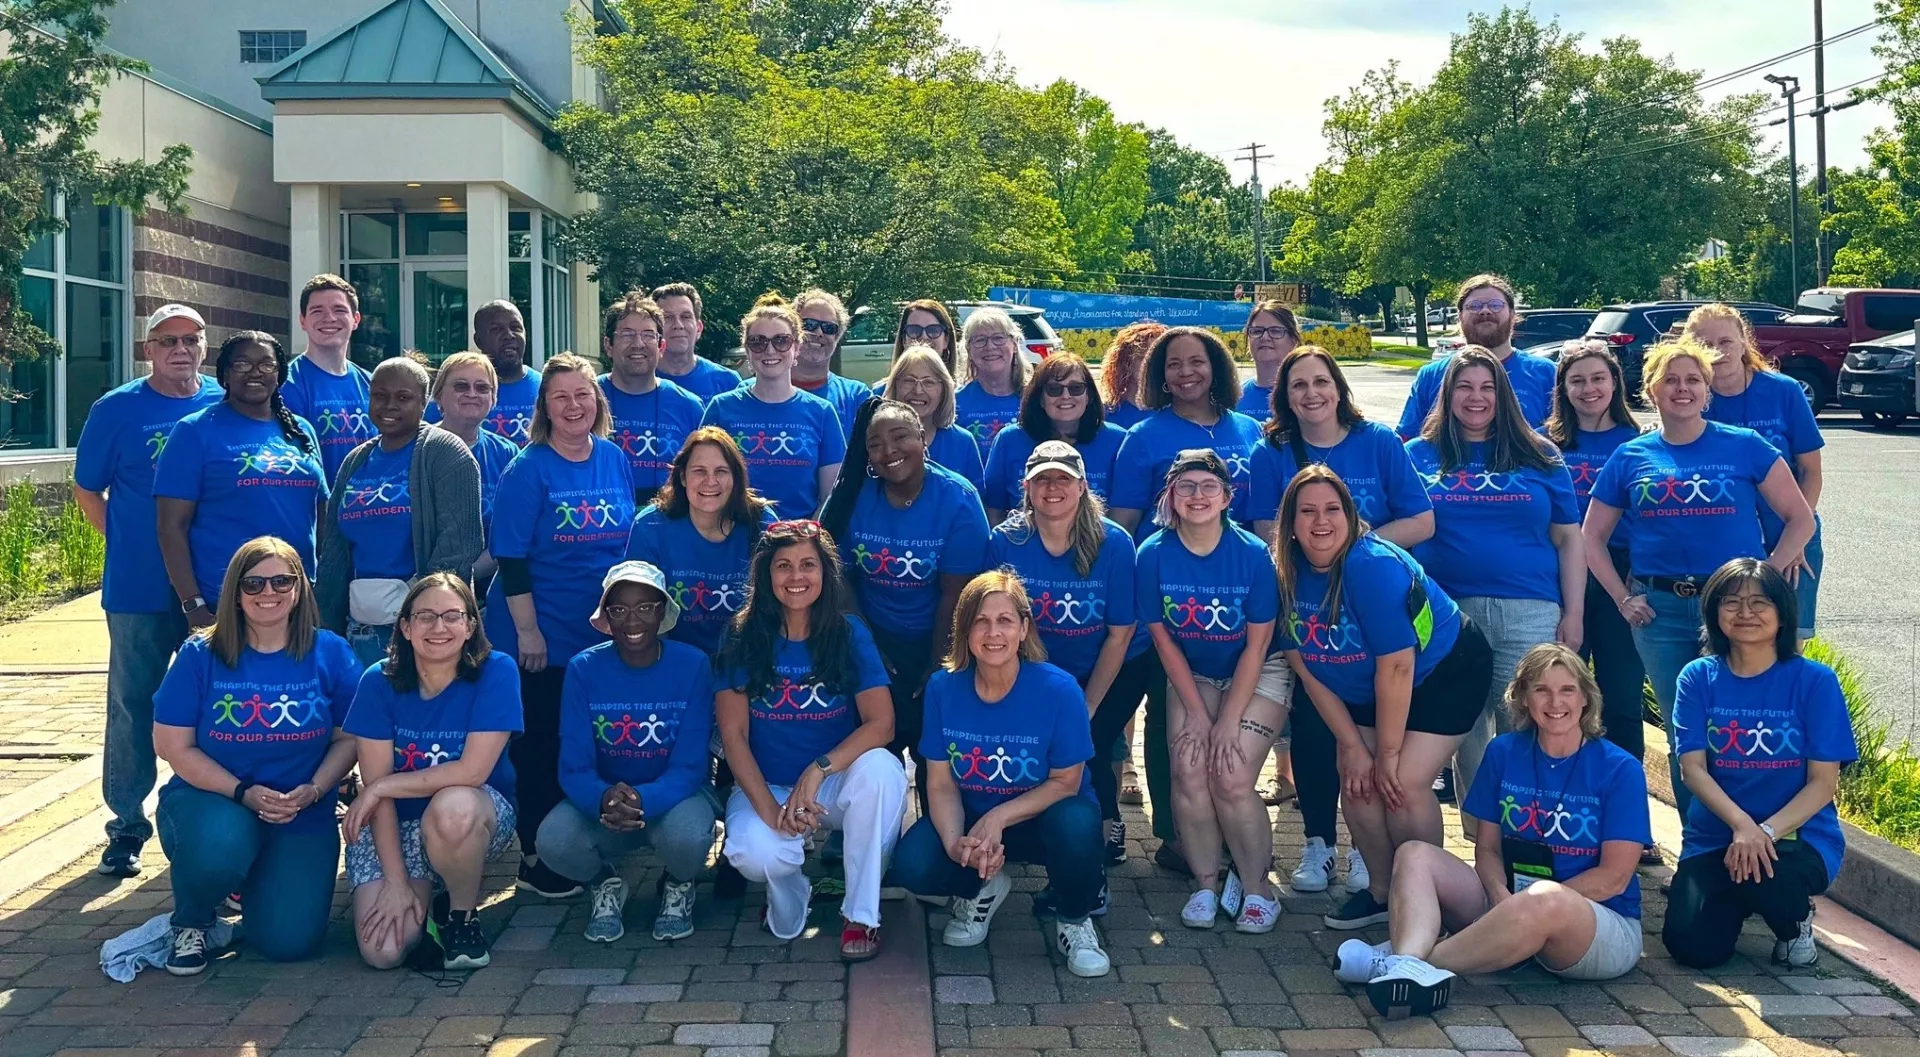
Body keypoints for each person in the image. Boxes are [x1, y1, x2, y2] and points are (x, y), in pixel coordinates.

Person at [1343, 643, 1651, 1017]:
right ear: (1522, 698)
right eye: (1541, 689)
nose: (1555, 701)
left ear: (1587, 698)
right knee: (1414, 854)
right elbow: (1487, 850)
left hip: (1595, 923)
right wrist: (1503, 899)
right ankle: (1409, 960)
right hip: (1506, 899)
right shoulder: (1503, 751)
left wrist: (1525, 907)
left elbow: (1614, 879)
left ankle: (1410, 963)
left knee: (1545, 899)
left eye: (1568, 689)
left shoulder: (1620, 768)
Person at [1584, 339, 1815, 818]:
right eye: (1671, 379)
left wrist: (1766, 577)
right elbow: (1591, 538)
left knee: (1739, 723)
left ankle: (1751, 835)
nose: (1682, 389)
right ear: (1651, 390)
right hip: (1660, 613)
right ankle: (1698, 852)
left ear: (1707, 391)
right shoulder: (1630, 456)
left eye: (1693, 380)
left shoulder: (1746, 446)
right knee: (1684, 732)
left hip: (1735, 610)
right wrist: (1623, 598)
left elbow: (1800, 518)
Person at [1248, 344, 1435, 892]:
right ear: (1284, 395)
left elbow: (1421, 520)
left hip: (1374, 607)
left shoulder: (1378, 442)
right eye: (1298, 384)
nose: (1311, 393)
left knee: (1374, 724)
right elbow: (1266, 531)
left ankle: (1363, 850)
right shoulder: (1272, 450)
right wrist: (1313, 559)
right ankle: (1318, 842)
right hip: (1306, 604)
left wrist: (1353, 550)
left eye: (1320, 381)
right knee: (1312, 725)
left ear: (1338, 387)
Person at [1272, 467, 1492, 931]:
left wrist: (1388, 754)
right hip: (1359, 682)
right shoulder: (1284, 574)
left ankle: (1431, 898)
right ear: (1289, 522)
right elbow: (1307, 669)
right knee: (1357, 780)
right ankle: (1380, 891)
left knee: (1402, 784)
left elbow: (1398, 666)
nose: (1320, 522)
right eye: (1307, 511)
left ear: (1352, 516)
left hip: (1442, 671)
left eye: (1333, 509)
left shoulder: (1370, 565)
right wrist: (1353, 747)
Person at [151, 537, 362, 972]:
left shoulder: (331, 652)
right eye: (254, 583)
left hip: (301, 808)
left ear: (300, 587)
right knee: (221, 845)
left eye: (282, 581)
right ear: (235, 591)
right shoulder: (200, 654)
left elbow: (350, 739)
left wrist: (316, 789)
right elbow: (172, 745)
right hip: (215, 801)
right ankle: (193, 920)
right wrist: (243, 791)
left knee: (288, 942)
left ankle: (253, 887)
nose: (269, 593)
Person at [887, 570, 1113, 977]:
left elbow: (1067, 782)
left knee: (1079, 824)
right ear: (965, 630)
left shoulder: (1060, 690)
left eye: (1005, 620)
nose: (994, 633)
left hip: (1043, 819)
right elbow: (938, 783)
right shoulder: (942, 687)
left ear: (1024, 628)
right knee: (913, 865)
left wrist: (997, 818)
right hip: (974, 820)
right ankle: (982, 887)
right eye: (981, 621)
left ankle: (1075, 920)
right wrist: (957, 842)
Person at [1405, 346, 1584, 838]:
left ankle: (1529, 837)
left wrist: (1575, 614)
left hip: (1529, 611)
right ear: (1447, 394)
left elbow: (1570, 539)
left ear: (1503, 394)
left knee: (1527, 725)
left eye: (1487, 387)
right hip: (1447, 615)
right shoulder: (1418, 455)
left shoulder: (1540, 454)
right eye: (1464, 387)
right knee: (1465, 733)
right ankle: (1480, 841)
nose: (1476, 397)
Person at [73, 303, 223, 877]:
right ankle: (127, 825)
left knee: (212, 703)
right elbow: (89, 490)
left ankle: (206, 814)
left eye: (190, 339)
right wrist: (131, 541)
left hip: (208, 586)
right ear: (148, 349)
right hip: (137, 588)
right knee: (134, 705)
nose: (179, 350)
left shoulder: (220, 400)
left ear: (204, 345)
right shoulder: (117, 409)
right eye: (167, 341)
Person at [716, 520, 908, 959]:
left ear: (826, 573)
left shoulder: (849, 632)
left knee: (883, 770)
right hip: (772, 786)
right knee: (754, 854)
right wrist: (772, 810)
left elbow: (882, 724)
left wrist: (818, 769)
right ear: (765, 576)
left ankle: (861, 913)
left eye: (808, 565)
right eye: (783, 566)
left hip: (831, 785)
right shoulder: (741, 635)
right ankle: (789, 898)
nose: (796, 577)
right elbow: (733, 735)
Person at [485, 352, 637, 897]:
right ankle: (535, 858)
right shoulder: (529, 468)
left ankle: (580, 841)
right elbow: (511, 556)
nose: (574, 406)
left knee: (583, 742)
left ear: (598, 402)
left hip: (595, 630)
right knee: (540, 745)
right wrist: (528, 632)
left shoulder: (615, 459)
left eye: (583, 395)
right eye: (560, 397)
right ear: (544, 407)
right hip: (537, 630)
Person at [1664, 559, 1856, 970]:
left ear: (1783, 612)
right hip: (1718, 836)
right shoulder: (1697, 677)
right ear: (1714, 613)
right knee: (1693, 949)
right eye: (1731, 602)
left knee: (1771, 879)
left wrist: (1764, 832)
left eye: (1759, 602)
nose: (1746, 613)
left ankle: (1794, 922)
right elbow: (1692, 769)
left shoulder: (1815, 681)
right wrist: (1742, 827)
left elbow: (1823, 783)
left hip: (1794, 837)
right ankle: (1735, 897)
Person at [1135, 450, 1291, 933]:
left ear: (1227, 496)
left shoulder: (1251, 555)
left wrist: (1226, 720)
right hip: (1193, 670)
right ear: (1171, 497)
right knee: (1187, 768)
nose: (1197, 496)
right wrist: (1200, 714)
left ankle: (1258, 887)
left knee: (1230, 773)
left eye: (1208, 487)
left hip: (1259, 667)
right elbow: (1162, 638)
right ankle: (1205, 882)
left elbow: (1260, 642)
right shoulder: (1153, 554)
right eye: (1186, 487)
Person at [342, 574, 522, 971]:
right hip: (395, 822)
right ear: (405, 627)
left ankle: (461, 916)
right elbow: (378, 795)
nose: (439, 628)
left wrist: (382, 785)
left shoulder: (497, 671)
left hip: (471, 813)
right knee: (384, 952)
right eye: (425, 617)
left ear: (471, 625)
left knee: (453, 806)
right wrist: (394, 881)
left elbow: (473, 771)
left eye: (452, 616)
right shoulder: (377, 681)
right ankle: (433, 889)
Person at [985, 442, 1152, 867]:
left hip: (1115, 662)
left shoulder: (1114, 542)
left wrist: (1088, 703)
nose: (1052, 487)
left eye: (1063, 478)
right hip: (1039, 666)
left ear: (1082, 487)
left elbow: (1119, 633)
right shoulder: (1006, 541)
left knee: (1089, 740)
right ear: (1027, 488)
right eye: (1042, 479)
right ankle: (1029, 832)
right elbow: (1002, 624)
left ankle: (1104, 826)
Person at [541, 562, 719, 943]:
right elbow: (573, 764)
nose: (632, 619)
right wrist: (604, 798)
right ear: (606, 616)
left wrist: (643, 798)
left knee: (688, 840)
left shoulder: (693, 664)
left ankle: (678, 882)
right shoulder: (583, 668)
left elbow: (690, 765)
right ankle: (604, 883)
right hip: (606, 801)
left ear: (662, 611)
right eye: (619, 609)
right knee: (553, 842)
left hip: (675, 797)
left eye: (645, 607)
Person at [819, 400, 990, 788]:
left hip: (938, 632)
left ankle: (938, 828)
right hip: (872, 627)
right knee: (876, 741)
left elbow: (955, 594)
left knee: (933, 741)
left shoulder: (957, 499)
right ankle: (860, 830)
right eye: (875, 444)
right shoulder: (854, 495)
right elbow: (837, 572)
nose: (889, 450)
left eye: (900, 437)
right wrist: (865, 644)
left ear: (923, 441)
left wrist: (937, 664)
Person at [317, 357, 484, 665]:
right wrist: (326, 628)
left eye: (404, 397)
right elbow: (334, 551)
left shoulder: (446, 453)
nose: (389, 405)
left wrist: (422, 620)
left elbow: (459, 546)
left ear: (424, 403)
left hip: (426, 634)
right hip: (360, 632)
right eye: (380, 396)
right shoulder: (355, 461)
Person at [155, 331, 328, 620]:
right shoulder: (195, 431)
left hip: (297, 597)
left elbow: (321, 515)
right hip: (225, 601)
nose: (255, 373)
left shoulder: (300, 431)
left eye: (266, 365)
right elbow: (171, 527)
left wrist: (325, 587)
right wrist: (192, 603)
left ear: (279, 373)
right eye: (242, 364)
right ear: (225, 374)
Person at [1684, 304, 1825, 642]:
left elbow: (1811, 471)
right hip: (1725, 540)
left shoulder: (1784, 391)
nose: (1717, 352)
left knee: (1784, 647)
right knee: (1728, 645)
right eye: (1704, 344)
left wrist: (1797, 539)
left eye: (1726, 341)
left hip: (1789, 536)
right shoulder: (1689, 398)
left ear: (1744, 342)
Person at [1543, 343, 1647, 764]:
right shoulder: (1542, 444)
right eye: (1578, 380)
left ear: (1615, 383)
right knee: (1560, 688)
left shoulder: (1640, 442)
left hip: (1618, 574)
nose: (1589, 389)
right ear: (1563, 389)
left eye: (1598, 378)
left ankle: (1624, 801)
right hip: (1558, 571)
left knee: (1621, 695)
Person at [626, 427, 775, 655]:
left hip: (745, 658)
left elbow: (777, 606)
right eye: (699, 471)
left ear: (735, 478)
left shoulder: (761, 521)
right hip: (674, 660)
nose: (710, 481)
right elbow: (640, 614)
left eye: (721, 471)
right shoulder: (649, 527)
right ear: (683, 477)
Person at [1109, 327, 1264, 537]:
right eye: (1174, 364)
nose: (1185, 372)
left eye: (1197, 362)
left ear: (1215, 367)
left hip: (1239, 565)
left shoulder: (1251, 429)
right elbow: (1122, 526)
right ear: (1160, 373)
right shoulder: (1142, 437)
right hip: (1168, 565)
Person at [699, 296, 846, 518]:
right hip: (730, 536)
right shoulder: (721, 407)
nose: (770, 350)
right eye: (758, 341)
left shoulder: (822, 412)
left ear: (796, 347)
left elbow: (830, 497)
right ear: (747, 350)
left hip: (797, 540)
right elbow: (701, 480)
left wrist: (805, 539)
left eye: (781, 341)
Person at [1396, 274, 1556, 438]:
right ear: (1460, 316)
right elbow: (1405, 443)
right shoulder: (1431, 375)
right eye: (1474, 306)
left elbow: (1565, 440)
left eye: (1495, 305)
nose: (1485, 311)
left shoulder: (1546, 373)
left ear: (1512, 314)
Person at [982, 356, 1126, 522]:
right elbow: (993, 509)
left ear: (1090, 396)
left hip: (1095, 544)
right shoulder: (1008, 440)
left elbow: (1124, 515)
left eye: (1076, 388)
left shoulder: (1118, 441)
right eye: (1054, 389)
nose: (1065, 396)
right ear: (1040, 399)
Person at [598, 291, 704, 506]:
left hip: (666, 527)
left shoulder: (689, 406)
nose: (638, 344)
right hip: (599, 524)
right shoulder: (587, 397)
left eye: (648, 335)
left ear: (661, 346)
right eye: (627, 334)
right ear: (608, 345)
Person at [428, 352, 519, 586]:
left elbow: (513, 531)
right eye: (460, 386)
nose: (471, 394)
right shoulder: (419, 449)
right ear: (438, 395)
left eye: (482, 388)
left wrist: (467, 573)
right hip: (422, 585)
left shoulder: (508, 454)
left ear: (494, 398)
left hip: (490, 588)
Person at [282, 274, 375, 483]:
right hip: (315, 509)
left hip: (365, 506)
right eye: (317, 311)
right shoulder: (287, 384)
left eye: (339, 310)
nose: (329, 318)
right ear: (302, 320)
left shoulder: (371, 383)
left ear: (356, 320)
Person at [882, 346, 984, 489]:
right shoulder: (877, 442)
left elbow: (976, 502)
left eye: (928, 382)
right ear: (895, 385)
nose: (918, 390)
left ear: (944, 390)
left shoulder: (963, 442)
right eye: (909, 381)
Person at [793, 288, 874, 441]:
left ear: (837, 337)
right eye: (809, 325)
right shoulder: (758, 391)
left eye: (829, 328)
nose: (819, 333)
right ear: (792, 330)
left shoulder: (857, 396)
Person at [954, 307, 1029, 462]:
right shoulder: (955, 403)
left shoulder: (1036, 397)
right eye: (980, 340)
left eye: (998, 338)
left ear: (1014, 344)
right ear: (968, 349)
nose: (990, 347)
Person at [653, 281, 743, 402]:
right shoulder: (637, 380)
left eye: (686, 317)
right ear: (653, 328)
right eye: (667, 317)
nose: (678, 325)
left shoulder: (727, 382)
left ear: (699, 328)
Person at [468, 301, 542, 447]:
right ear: (478, 341)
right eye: (496, 329)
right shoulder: (459, 391)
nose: (509, 335)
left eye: (516, 328)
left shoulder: (546, 387)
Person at [1238, 301, 1303, 422]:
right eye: (1257, 331)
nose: (1265, 337)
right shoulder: (1234, 396)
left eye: (1275, 331)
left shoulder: (1305, 394)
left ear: (1293, 341)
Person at [1096, 322, 1164, 431]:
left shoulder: (1178, 413)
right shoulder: (1101, 414)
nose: (1152, 365)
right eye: (1144, 358)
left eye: (1159, 359)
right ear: (1125, 362)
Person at [885, 299, 961, 385]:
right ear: (903, 340)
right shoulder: (881, 394)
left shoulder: (963, 396)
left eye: (933, 330)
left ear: (946, 340)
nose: (924, 337)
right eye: (914, 330)